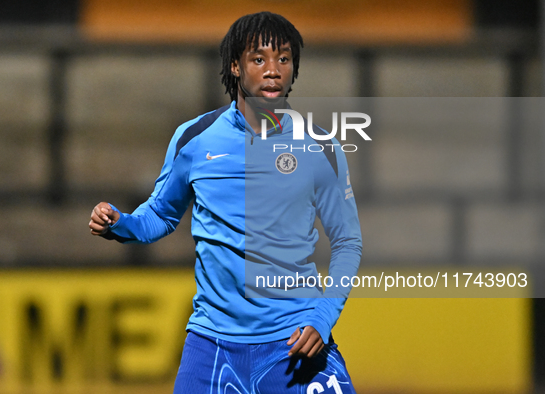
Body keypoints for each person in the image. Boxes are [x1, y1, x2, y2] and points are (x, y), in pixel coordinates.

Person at [89, 11, 362, 394]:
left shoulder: (320, 146)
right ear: (235, 66)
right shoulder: (195, 139)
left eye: (283, 59)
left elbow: (348, 241)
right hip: (213, 347)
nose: (273, 70)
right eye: (259, 59)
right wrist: (121, 223)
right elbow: (160, 216)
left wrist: (322, 318)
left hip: (295, 338)